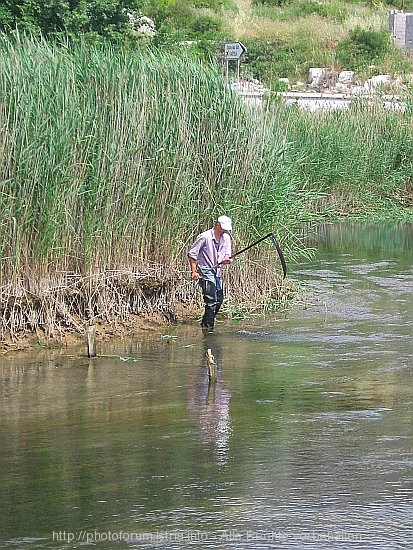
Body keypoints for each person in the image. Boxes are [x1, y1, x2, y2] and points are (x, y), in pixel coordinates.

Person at [188, 215, 233, 329]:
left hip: (217, 272)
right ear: (218, 225)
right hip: (205, 270)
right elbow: (192, 254)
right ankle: (208, 327)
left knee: (219, 300)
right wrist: (194, 271)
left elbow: (227, 254)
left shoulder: (226, 238)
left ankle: (206, 323)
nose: (225, 230)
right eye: (224, 228)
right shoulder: (205, 237)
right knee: (211, 300)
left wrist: (227, 260)